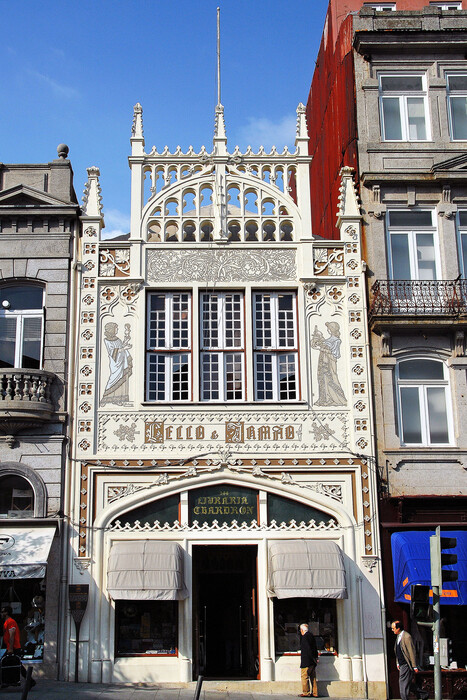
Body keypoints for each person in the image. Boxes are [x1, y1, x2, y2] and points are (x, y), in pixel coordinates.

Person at [391, 620, 428, 700]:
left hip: (406, 664)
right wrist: (398, 663)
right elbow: (398, 650)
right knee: (408, 684)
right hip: (401, 664)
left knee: (402, 684)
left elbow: (412, 652)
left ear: (398, 628)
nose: (392, 630)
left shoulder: (407, 637)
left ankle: (404, 698)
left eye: (393, 628)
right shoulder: (398, 637)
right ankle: (424, 695)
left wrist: (414, 666)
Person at [1, 606, 35, 688]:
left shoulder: (11, 622)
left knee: (9, 664)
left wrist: (11, 649)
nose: (1, 614)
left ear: (7, 613)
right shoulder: (6, 622)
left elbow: (12, 635)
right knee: (16, 665)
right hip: (11, 647)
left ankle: (30, 681)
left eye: (3, 612)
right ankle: (7, 681)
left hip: (14, 648)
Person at [299, 622, 319, 698]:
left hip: (306, 661)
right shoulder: (311, 635)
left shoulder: (304, 637)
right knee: (313, 677)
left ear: (302, 630)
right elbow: (314, 648)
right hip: (312, 661)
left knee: (304, 676)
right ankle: (315, 692)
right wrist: (315, 658)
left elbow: (307, 649)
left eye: (300, 630)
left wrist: (309, 658)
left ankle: (306, 692)